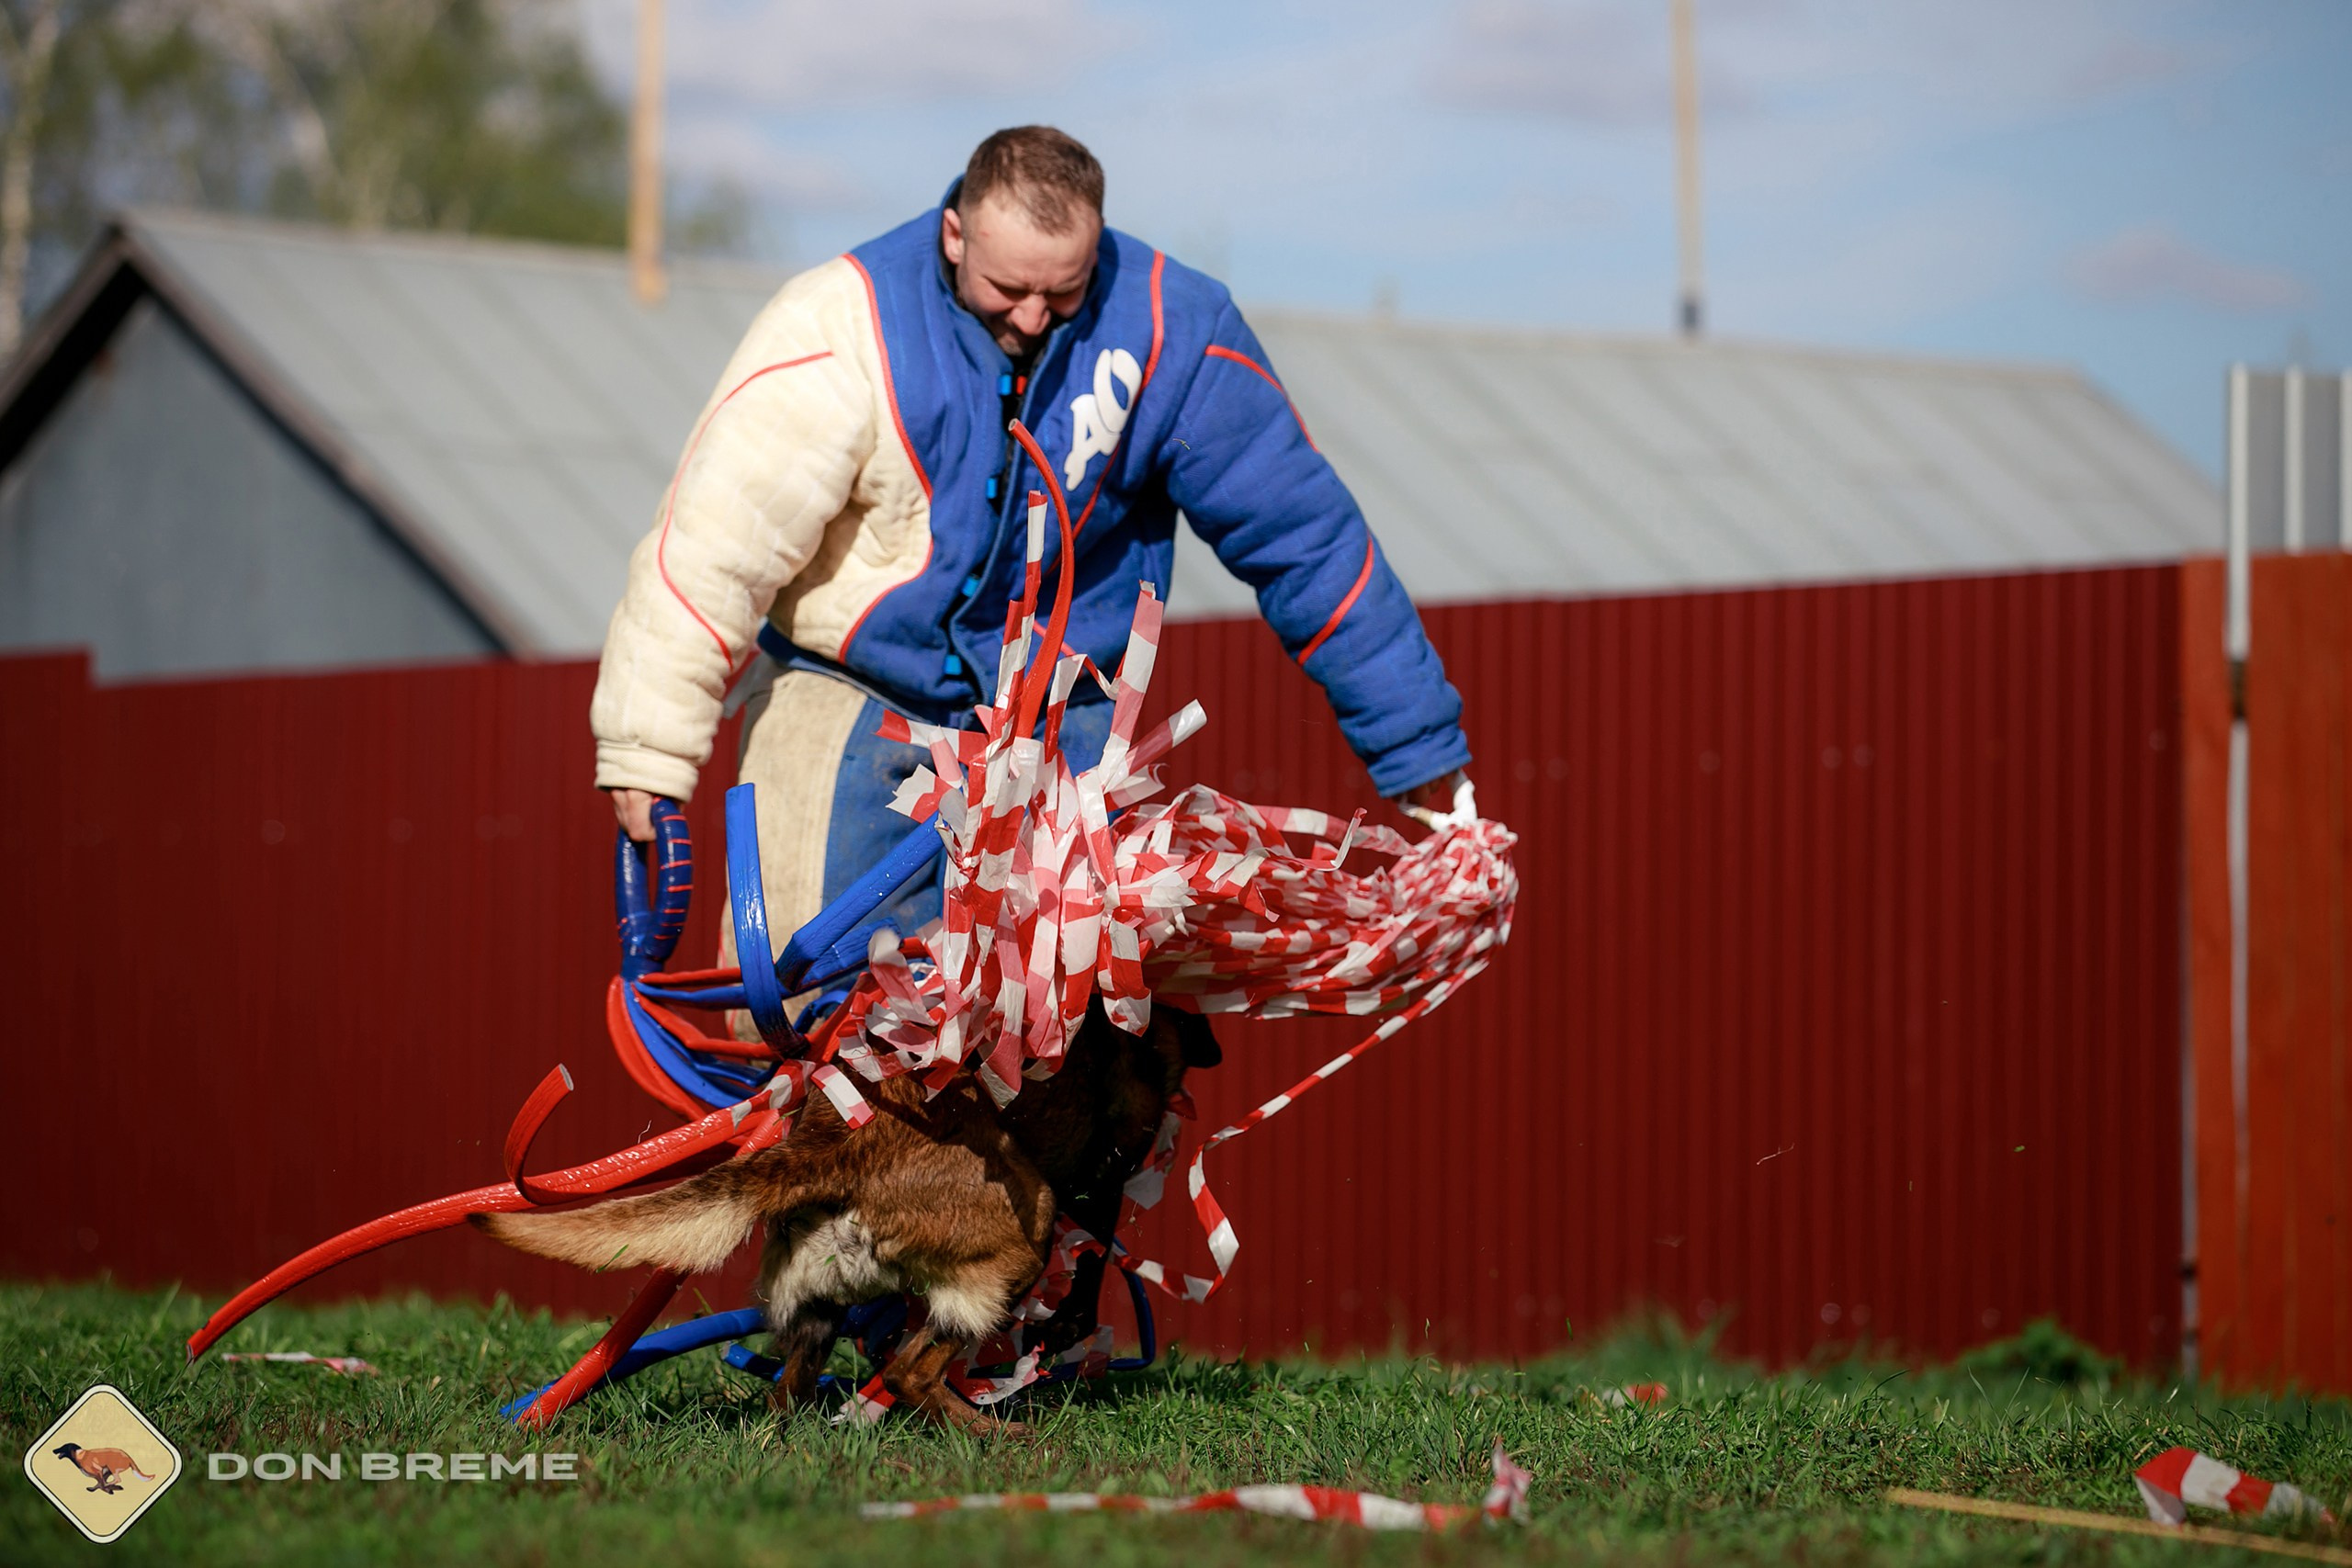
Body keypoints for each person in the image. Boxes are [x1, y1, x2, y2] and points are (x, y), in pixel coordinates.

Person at [593, 125, 1474, 972]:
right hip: (846, 702)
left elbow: (1308, 544)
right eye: (1008, 287)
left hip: (1062, 722)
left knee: (1073, 1056)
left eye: (1065, 292)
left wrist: (1421, 755)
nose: (1032, 317)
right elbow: (716, 543)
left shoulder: (1177, 332)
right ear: (954, 233)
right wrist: (649, 754)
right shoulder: (840, 324)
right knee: (811, 1013)